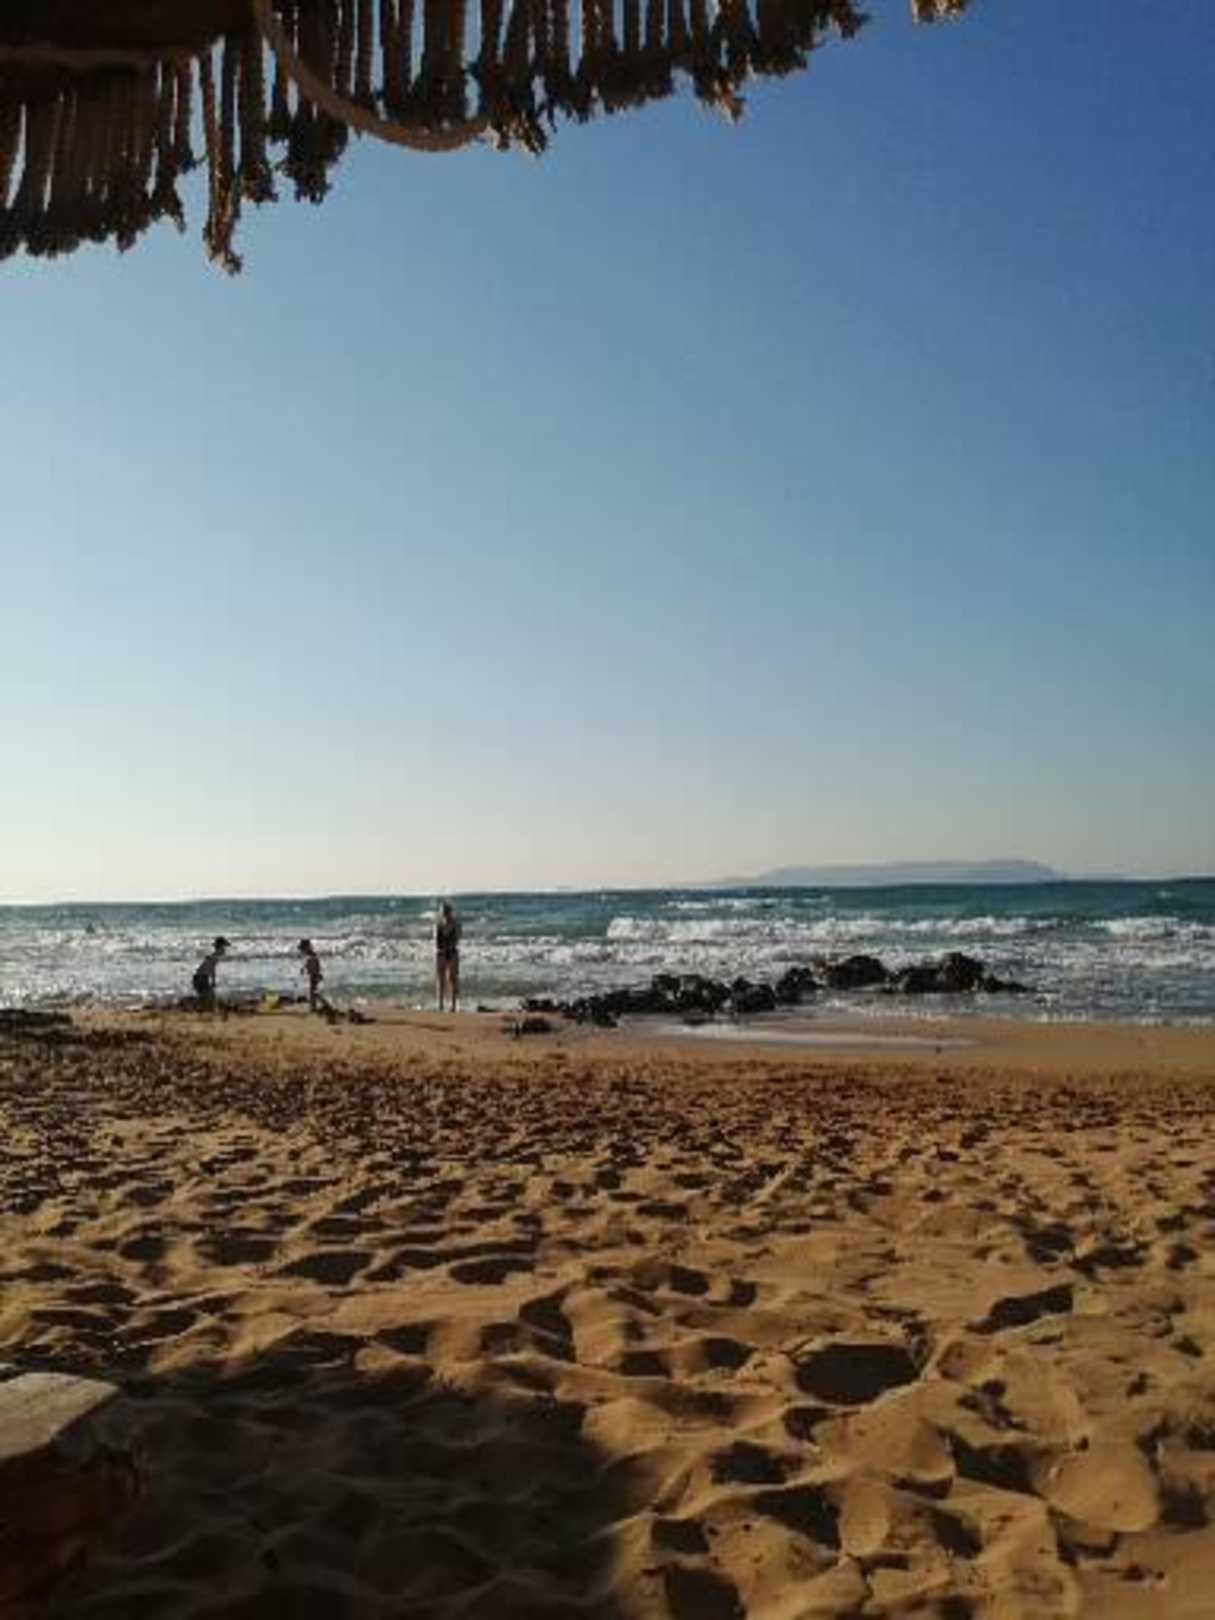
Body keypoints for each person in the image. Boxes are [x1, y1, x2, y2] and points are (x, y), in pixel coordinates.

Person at [435, 900, 462, 1012]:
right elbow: (437, 940)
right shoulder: (439, 924)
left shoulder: (455, 923)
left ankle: (454, 1005)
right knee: (441, 979)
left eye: (447, 911)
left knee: (453, 979)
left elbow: (458, 937)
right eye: (444, 911)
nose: (445, 913)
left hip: (452, 952)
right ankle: (440, 1004)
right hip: (441, 952)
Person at [191, 936, 230, 1012]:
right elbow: (211, 969)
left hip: (200, 977)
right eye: (223, 948)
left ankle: (203, 1010)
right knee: (208, 998)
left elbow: (209, 968)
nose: (224, 951)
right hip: (201, 978)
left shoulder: (213, 956)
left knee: (208, 998)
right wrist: (213, 980)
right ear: (220, 947)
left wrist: (212, 980)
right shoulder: (215, 957)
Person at [298, 938, 325, 1012]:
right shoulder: (310, 954)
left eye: (303, 949)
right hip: (314, 974)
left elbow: (314, 964)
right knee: (313, 991)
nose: (302, 951)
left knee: (313, 992)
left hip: (314, 974)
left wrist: (315, 973)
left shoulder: (311, 955)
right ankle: (313, 1006)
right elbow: (308, 963)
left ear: (307, 947)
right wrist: (304, 968)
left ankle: (314, 1007)